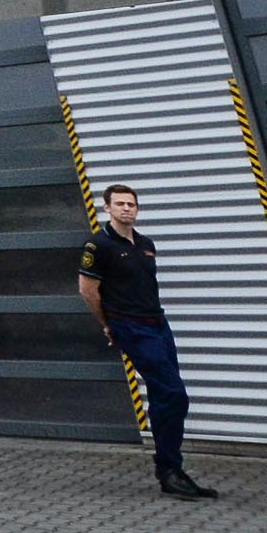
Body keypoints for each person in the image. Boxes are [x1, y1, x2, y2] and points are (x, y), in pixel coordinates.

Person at [80, 183, 218, 500]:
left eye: (131, 204)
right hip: (130, 326)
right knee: (175, 394)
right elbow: (87, 289)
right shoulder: (98, 245)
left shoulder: (145, 244)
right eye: (120, 204)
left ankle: (171, 472)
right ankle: (168, 467)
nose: (126, 208)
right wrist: (109, 324)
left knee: (162, 394)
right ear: (107, 208)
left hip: (157, 323)